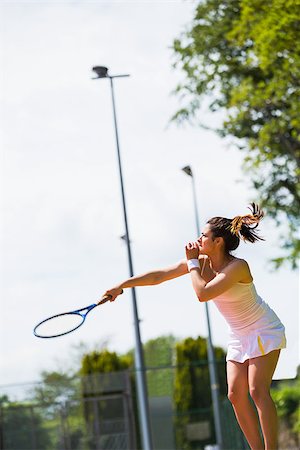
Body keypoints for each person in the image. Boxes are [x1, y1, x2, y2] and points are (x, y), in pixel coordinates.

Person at [103, 203, 286, 450]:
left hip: (263, 329)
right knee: (234, 395)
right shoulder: (199, 262)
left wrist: (191, 264)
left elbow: (203, 294)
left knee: (257, 391)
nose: (198, 239)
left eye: (203, 236)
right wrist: (122, 285)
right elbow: (159, 275)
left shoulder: (237, 267)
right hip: (239, 335)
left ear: (218, 241)